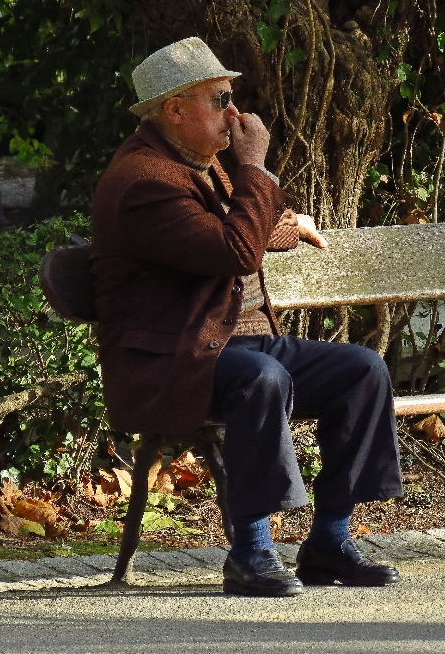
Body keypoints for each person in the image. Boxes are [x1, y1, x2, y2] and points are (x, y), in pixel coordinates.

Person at [90, 37, 403, 597]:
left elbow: (252, 229)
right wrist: (255, 165)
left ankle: (330, 539)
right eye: (219, 100)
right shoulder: (144, 181)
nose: (232, 114)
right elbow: (235, 250)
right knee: (263, 380)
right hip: (173, 360)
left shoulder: (198, 165)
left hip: (226, 347)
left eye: (231, 98)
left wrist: (288, 222)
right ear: (175, 109)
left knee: (362, 370)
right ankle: (251, 554)